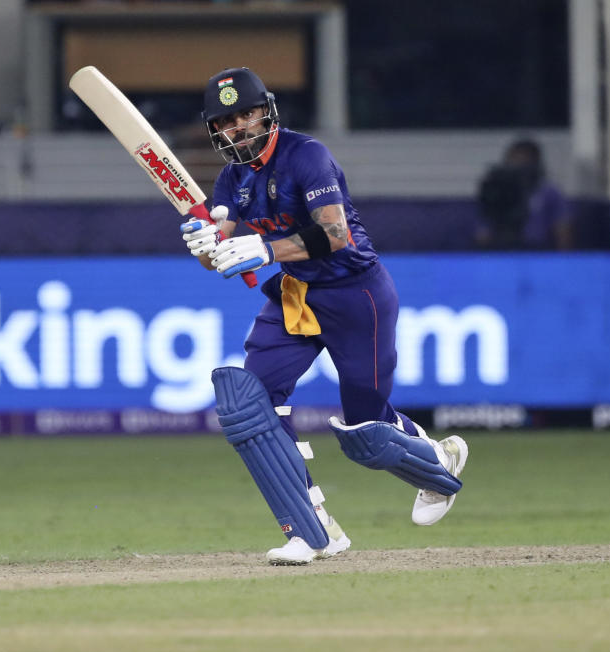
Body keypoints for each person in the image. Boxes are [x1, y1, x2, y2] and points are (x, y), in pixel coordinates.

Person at [181, 68, 469, 565]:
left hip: (356, 294)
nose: (238, 128)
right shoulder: (231, 177)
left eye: (246, 114)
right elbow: (223, 247)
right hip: (295, 295)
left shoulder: (306, 156)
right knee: (249, 403)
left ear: (266, 112)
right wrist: (205, 244)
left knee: (367, 436)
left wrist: (265, 248)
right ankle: (313, 529)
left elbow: (335, 235)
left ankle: (438, 462)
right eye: (226, 122)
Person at [476, 138, 573, 250]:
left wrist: (563, 261)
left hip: (538, 253)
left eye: (525, 161)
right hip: (502, 250)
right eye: (515, 160)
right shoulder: (495, 191)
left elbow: (563, 228)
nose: (520, 166)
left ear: (535, 163)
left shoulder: (549, 191)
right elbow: (482, 232)